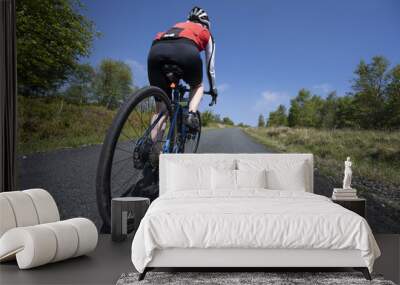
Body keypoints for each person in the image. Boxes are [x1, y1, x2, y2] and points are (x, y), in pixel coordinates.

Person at [147, 6, 217, 142]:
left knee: (161, 112)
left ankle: (152, 153)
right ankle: (191, 114)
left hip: (156, 50)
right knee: (197, 86)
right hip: (186, 51)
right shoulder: (205, 32)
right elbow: (210, 67)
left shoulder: (175, 26)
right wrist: (213, 90)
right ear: (206, 24)